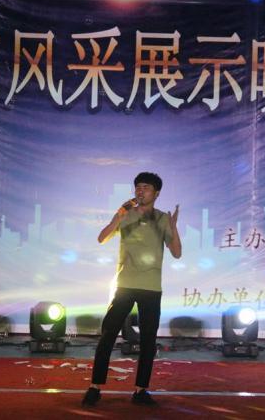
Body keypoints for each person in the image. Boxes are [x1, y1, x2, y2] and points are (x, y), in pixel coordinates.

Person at [82, 172, 181, 407]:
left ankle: (140, 390)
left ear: (156, 193)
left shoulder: (162, 219)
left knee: (148, 341)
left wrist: (174, 228)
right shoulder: (125, 214)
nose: (140, 191)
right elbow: (101, 238)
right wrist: (119, 215)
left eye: (146, 188)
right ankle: (95, 387)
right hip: (124, 284)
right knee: (108, 335)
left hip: (151, 287)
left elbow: (177, 253)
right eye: (138, 187)